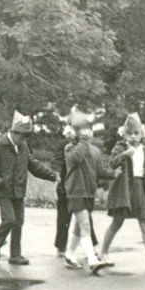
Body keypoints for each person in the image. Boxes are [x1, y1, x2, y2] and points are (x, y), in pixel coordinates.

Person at [0, 111, 57, 265]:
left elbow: (33, 165)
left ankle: (15, 255)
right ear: (13, 133)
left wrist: (52, 176)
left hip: (18, 189)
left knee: (18, 222)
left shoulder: (23, 146)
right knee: (9, 219)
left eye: (26, 137)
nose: (23, 139)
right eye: (21, 136)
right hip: (4, 190)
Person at [99, 113, 145, 271]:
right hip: (124, 189)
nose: (133, 137)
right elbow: (111, 164)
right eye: (129, 134)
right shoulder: (120, 147)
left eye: (136, 133)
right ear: (124, 135)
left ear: (142, 135)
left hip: (142, 189)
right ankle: (103, 252)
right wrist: (124, 155)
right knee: (117, 222)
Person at [61, 109, 111, 275]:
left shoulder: (94, 151)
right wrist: (83, 140)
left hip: (89, 192)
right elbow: (75, 159)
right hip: (76, 191)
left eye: (88, 130)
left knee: (79, 226)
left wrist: (113, 175)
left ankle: (69, 254)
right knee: (85, 224)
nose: (87, 133)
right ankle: (92, 260)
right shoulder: (70, 148)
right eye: (83, 130)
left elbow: (100, 171)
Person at [53, 108, 98, 258]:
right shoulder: (66, 146)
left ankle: (92, 246)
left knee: (85, 219)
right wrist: (56, 175)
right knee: (64, 217)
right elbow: (58, 161)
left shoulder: (87, 146)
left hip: (81, 186)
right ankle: (61, 246)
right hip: (66, 185)